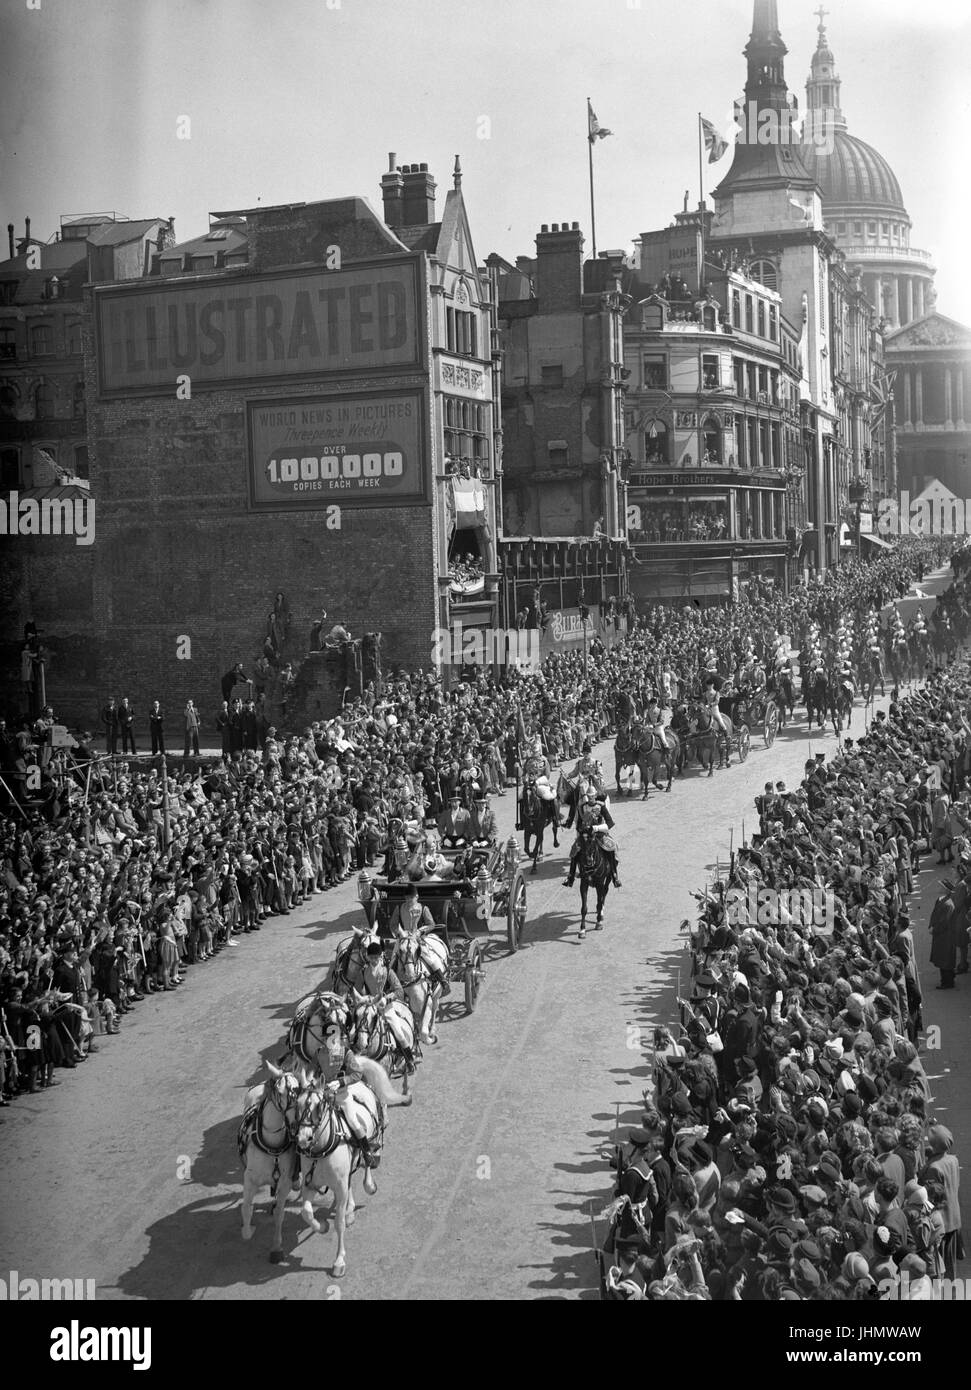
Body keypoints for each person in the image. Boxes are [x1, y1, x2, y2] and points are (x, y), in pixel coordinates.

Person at [563, 787, 621, 889]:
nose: (591, 798)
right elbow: (578, 825)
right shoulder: (582, 807)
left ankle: (614, 875)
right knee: (574, 850)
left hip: (599, 834)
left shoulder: (601, 806)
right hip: (586, 835)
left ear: (595, 795)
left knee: (612, 847)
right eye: (589, 796)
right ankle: (570, 877)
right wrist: (583, 829)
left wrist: (596, 828)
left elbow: (610, 823)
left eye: (592, 796)